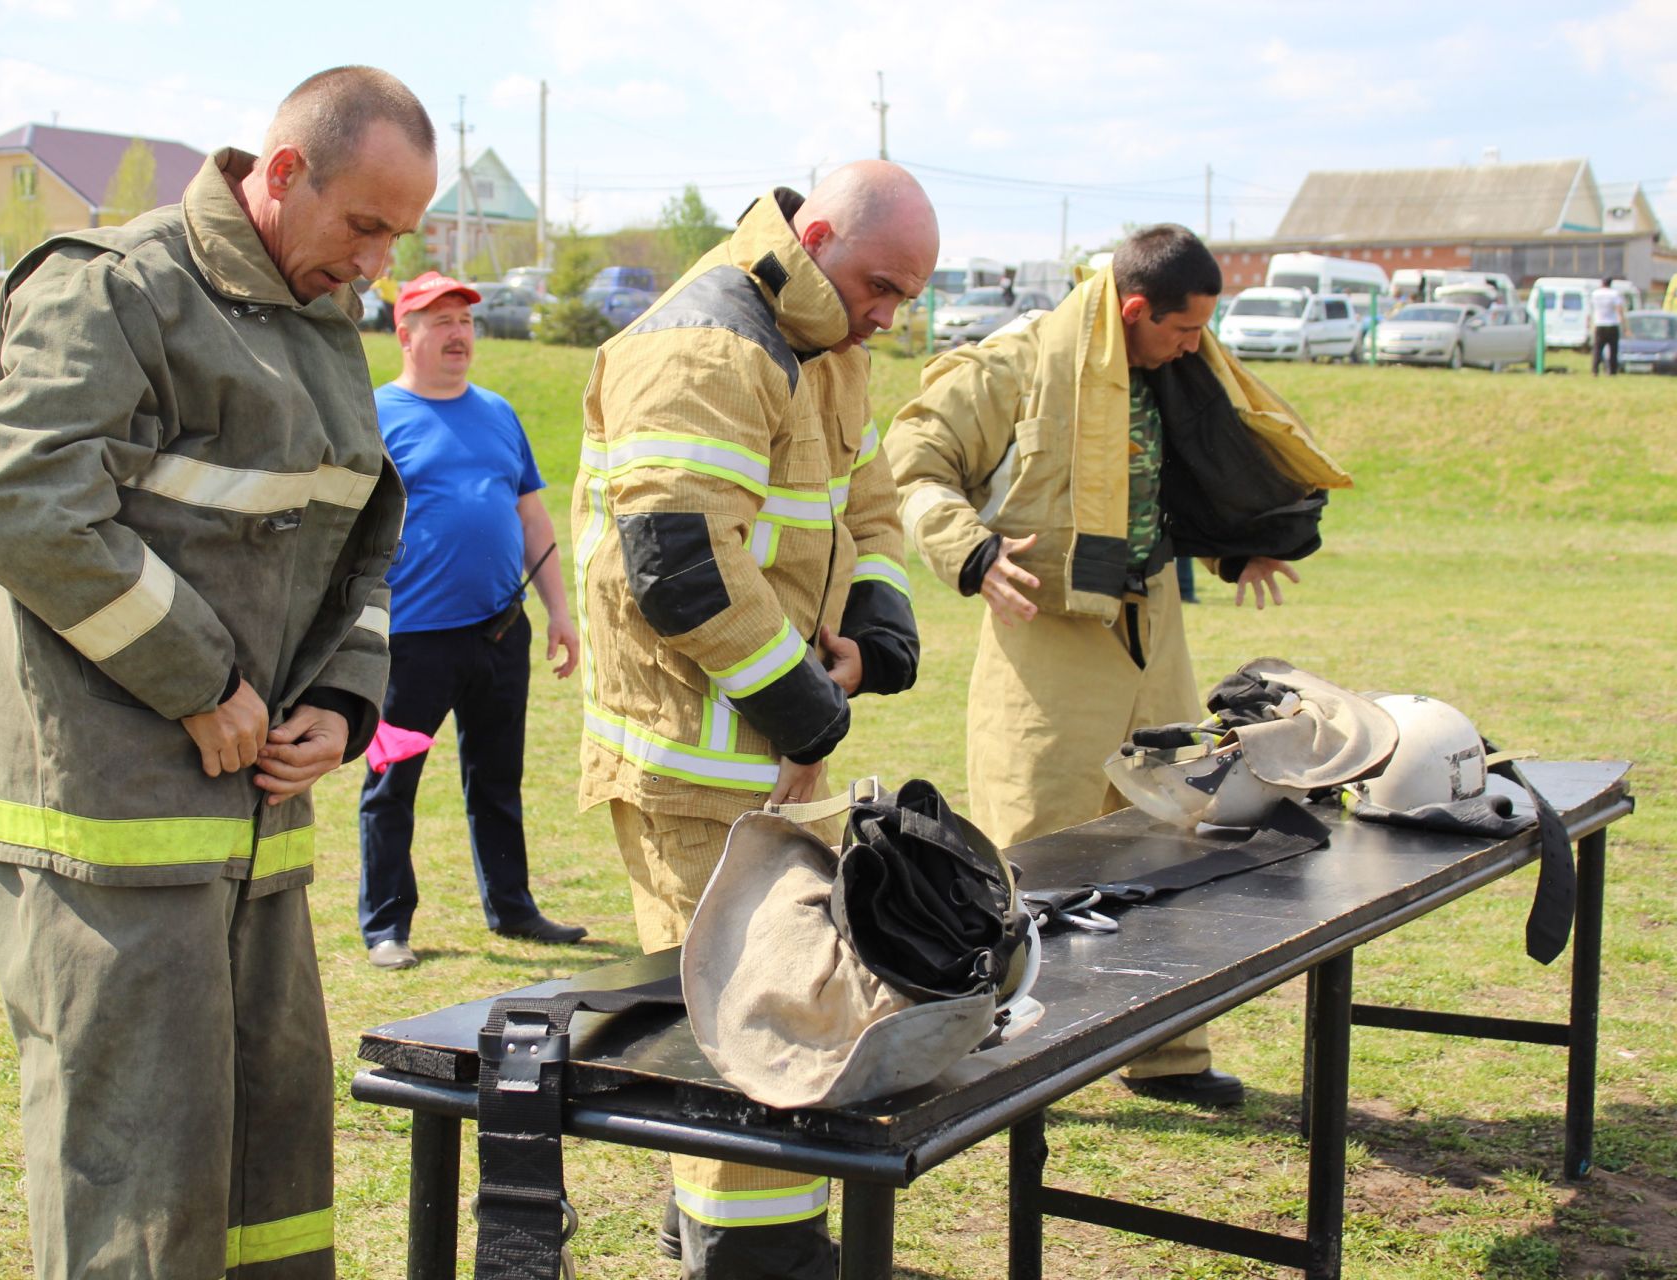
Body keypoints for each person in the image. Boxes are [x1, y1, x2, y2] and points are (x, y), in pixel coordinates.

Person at [0, 67, 435, 1278]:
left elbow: (358, 542)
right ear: (282, 174)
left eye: (398, 234)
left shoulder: (320, 314)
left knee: (271, 1170)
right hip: (110, 838)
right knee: (137, 1190)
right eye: (364, 224)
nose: (376, 262)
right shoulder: (117, 286)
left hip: (255, 838)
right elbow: (22, 505)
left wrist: (340, 702)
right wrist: (201, 680)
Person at [885, 224, 1350, 1109]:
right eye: (1182, 329)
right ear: (1135, 308)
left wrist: (1235, 546)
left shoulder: (1180, 369)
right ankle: (1026, 1055)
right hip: (1045, 640)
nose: (1196, 345)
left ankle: (1170, 1055)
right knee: (1036, 853)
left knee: (1178, 840)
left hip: (1155, 630)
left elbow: (1181, 480)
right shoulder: (1015, 363)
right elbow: (913, 462)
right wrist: (972, 552)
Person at [571, 161, 934, 1279]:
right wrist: (811, 708)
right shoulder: (708, 344)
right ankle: (749, 1257)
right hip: (693, 769)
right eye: (879, 283)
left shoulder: (829, 342)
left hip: (770, 756)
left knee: (773, 1013)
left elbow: (868, 508)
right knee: (746, 1034)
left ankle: (738, 1240)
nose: (889, 313)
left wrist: (875, 638)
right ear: (814, 234)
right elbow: (679, 570)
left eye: (905, 296)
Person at [357, 270, 587, 971]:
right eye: (441, 321)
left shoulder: (497, 412)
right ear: (406, 333)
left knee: (496, 778)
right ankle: (386, 926)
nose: (459, 334)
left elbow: (531, 514)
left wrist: (559, 610)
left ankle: (512, 909)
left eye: (467, 322)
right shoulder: (375, 416)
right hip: (411, 645)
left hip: (498, 634)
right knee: (391, 784)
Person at [1591, 277, 1625, 376]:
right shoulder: (1614, 294)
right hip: (1612, 324)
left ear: (1602, 283)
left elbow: (1592, 309)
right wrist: (1624, 324)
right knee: (1613, 349)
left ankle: (1595, 370)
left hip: (1599, 323)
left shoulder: (1595, 294)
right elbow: (1619, 308)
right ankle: (1612, 371)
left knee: (1597, 348)